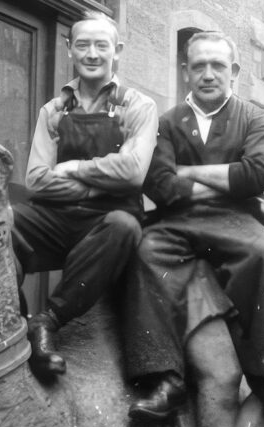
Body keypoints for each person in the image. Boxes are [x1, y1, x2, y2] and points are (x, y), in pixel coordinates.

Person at [124, 30, 264, 427]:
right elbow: (160, 185)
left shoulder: (255, 118)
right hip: (178, 222)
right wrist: (227, 181)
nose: (208, 74)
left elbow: (263, 171)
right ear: (185, 71)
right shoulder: (165, 122)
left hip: (237, 222)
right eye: (198, 65)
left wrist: (191, 173)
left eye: (218, 65)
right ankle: (164, 378)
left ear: (233, 72)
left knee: (263, 255)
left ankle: (260, 373)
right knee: (144, 253)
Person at [13, 11, 158, 380]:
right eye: (82, 45)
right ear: (69, 49)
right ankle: (16, 323)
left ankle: (49, 320)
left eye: (101, 45)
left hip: (106, 225)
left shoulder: (138, 106)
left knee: (124, 226)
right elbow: (38, 180)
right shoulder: (54, 109)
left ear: (117, 51)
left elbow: (133, 172)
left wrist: (77, 171)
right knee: (2, 221)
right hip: (57, 219)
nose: (92, 54)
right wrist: (104, 178)